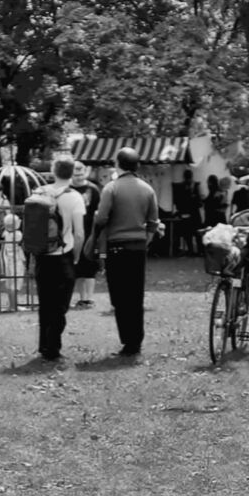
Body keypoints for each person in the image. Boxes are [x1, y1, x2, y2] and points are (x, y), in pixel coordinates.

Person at [91, 146, 161, 358]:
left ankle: (127, 342)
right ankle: (135, 342)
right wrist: (145, 241)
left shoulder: (111, 188)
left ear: (117, 164)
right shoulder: (147, 189)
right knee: (136, 296)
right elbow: (153, 222)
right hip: (138, 247)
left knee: (120, 298)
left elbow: (101, 218)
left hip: (117, 247)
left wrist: (96, 233)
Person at [29, 157, 85, 361]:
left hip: (42, 255)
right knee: (60, 306)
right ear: (72, 173)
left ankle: (44, 345)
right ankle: (53, 348)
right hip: (63, 255)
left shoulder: (39, 193)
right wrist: (76, 257)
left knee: (45, 303)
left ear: (53, 170)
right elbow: (79, 234)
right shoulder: (74, 197)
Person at [70, 162, 103, 309]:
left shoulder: (93, 189)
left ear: (86, 172)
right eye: (75, 175)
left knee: (90, 267)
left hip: (90, 233)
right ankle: (82, 298)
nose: (78, 177)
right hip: (72, 233)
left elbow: (99, 211)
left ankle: (89, 298)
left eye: (80, 174)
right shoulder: (68, 189)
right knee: (77, 267)